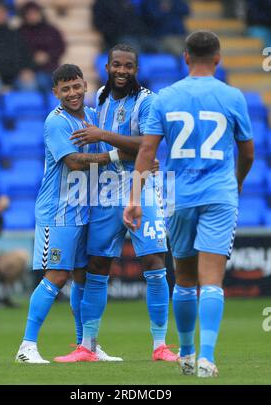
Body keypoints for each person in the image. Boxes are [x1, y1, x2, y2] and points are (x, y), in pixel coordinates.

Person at [123, 30, 254, 377]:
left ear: (185, 57)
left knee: (183, 279)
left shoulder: (166, 97)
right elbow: (248, 151)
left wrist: (134, 197)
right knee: (212, 281)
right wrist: (236, 182)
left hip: (179, 196)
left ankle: (185, 354)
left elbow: (147, 151)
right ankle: (207, 359)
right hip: (218, 194)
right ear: (218, 58)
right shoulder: (232, 96)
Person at [54, 44, 178, 363]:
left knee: (154, 263)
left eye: (129, 66)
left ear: (136, 69)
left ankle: (160, 346)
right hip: (106, 190)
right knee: (97, 266)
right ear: (107, 66)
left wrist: (104, 135)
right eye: (117, 65)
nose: (123, 71)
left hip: (142, 187)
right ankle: (88, 346)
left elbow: (147, 144)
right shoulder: (101, 98)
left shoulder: (148, 101)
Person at [15, 63, 134, 363]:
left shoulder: (94, 118)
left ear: (85, 86)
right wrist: (115, 155)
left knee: (83, 278)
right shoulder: (56, 122)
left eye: (77, 86)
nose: (73, 93)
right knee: (56, 276)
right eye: (65, 88)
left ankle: (87, 345)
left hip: (86, 211)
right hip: (58, 212)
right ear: (55, 92)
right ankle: (27, 347)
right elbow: (76, 162)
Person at [18, 1, 66, 92]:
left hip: (51, 68)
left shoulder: (52, 30)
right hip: (28, 70)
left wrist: (48, 56)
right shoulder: (19, 33)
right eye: (29, 14)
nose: (32, 16)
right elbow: (17, 53)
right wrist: (30, 63)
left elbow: (60, 47)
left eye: (34, 13)